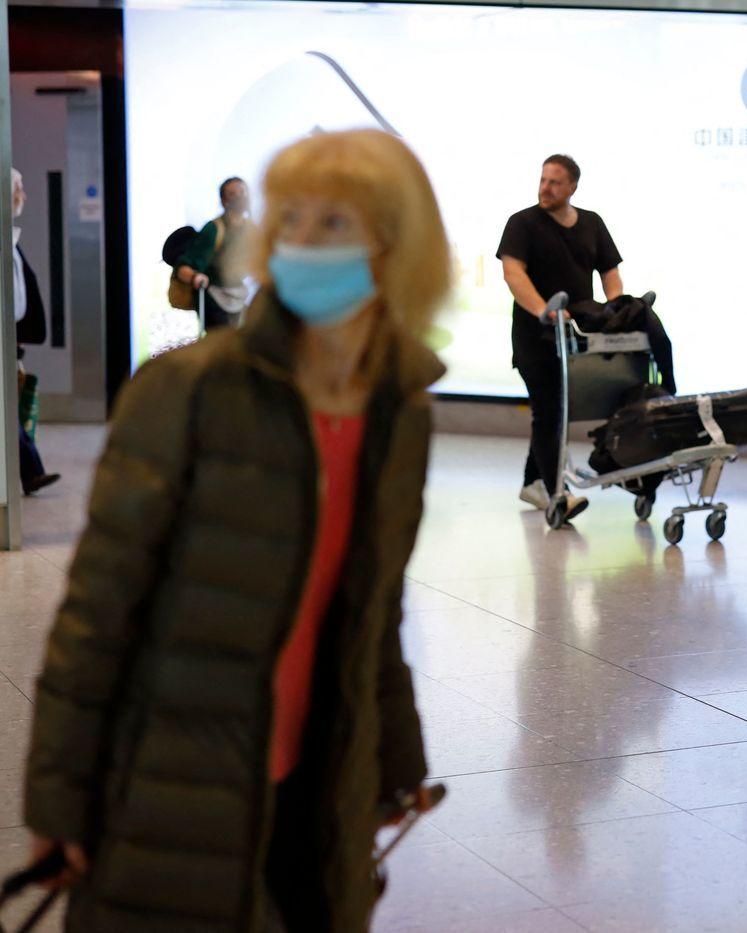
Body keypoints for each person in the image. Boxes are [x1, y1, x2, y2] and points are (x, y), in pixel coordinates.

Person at [23, 129, 449, 931]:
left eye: (334, 224)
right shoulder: (184, 391)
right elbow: (96, 612)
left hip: (320, 791)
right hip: (170, 790)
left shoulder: (402, 410)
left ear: (396, 248)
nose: (300, 243)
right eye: (290, 219)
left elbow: (372, 611)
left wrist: (397, 762)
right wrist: (58, 797)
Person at [497, 154, 623, 522]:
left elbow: (610, 273)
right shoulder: (522, 223)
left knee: (557, 412)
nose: (545, 188)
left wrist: (616, 308)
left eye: (554, 182)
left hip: (576, 336)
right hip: (535, 338)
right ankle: (556, 493)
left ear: (572, 187)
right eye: (542, 180)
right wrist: (543, 310)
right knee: (550, 409)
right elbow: (513, 273)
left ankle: (533, 482)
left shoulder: (591, 223)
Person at [10, 168, 59, 494]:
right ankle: (30, 471)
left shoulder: (11, 240)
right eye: (18, 188)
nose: (23, 195)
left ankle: (30, 472)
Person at [173, 176, 255, 330]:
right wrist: (194, 276)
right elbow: (184, 266)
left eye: (243, 191)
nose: (240, 197)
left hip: (238, 296)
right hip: (213, 297)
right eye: (233, 194)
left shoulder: (251, 228)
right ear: (224, 201)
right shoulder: (214, 230)